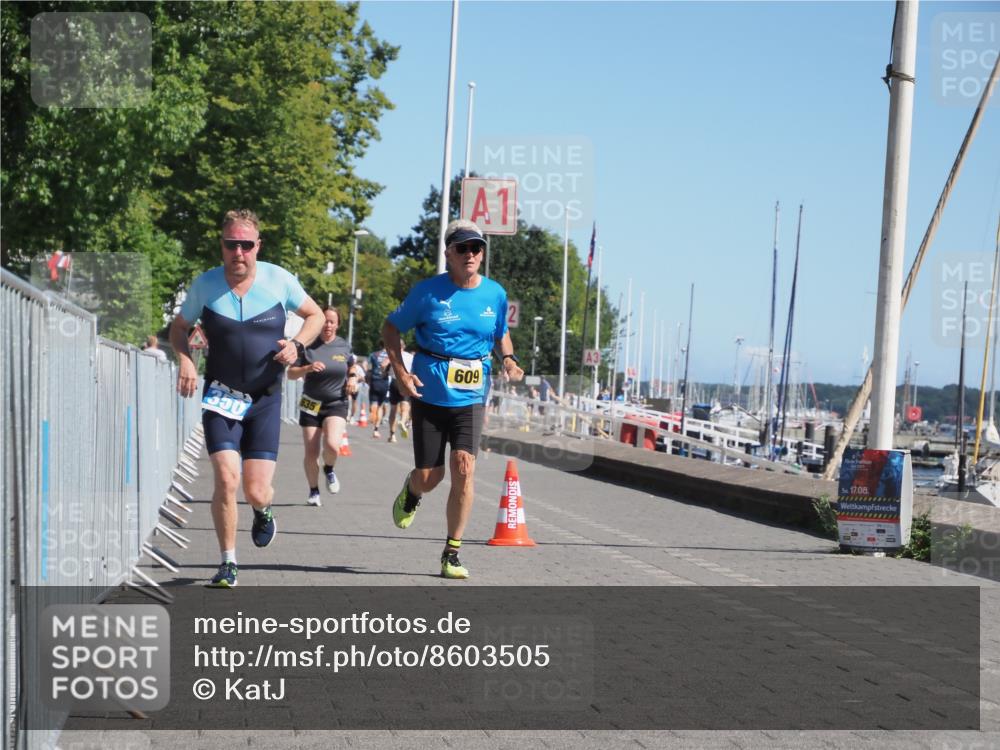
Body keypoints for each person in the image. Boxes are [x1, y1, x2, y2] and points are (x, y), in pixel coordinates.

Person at [170, 209, 323, 588]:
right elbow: (179, 327)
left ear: (258, 246)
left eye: (246, 245)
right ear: (221, 247)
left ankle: (263, 510)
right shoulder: (205, 285)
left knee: (255, 489)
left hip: (266, 399)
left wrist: (298, 345)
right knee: (225, 477)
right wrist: (185, 360)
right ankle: (227, 561)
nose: (238, 252)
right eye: (231, 244)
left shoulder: (279, 279)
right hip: (221, 396)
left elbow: (315, 315)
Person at [383, 219, 524, 579]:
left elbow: (501, 334)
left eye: (476, 248)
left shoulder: (494, 293)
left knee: (464, 467)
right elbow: (391, 327)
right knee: (431, 477)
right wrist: (400, 372)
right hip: (429, 393)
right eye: (462, 248)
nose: (470, 254)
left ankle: (452, 552)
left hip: (472, 395)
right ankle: (412, 490)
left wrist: (508, 358)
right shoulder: (427, 293)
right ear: (448, 252)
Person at [286, 306, 357, 506]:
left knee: (333, 445)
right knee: (311, 452)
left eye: (332, 321)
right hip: (311, 402)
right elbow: (291, 374)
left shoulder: (344, 346)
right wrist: (307, 368)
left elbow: (352, 365)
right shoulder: (308, 345)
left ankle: (329, 468)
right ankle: (314, 490)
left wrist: (352, 378)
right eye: (325, 320)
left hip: (336, 402)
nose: (328, 325)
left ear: (338, 325)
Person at [387, 344, 414, 443]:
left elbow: (383, 365)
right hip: (405, 382)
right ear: (404, 346)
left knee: (393, 409)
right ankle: (402, 421)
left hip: (394, 381)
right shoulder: (410, 356)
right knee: (405, 407)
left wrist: (384, 373)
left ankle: (392, 435)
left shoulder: (391, 355)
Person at [368, 343, 391, 438]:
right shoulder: (390, 355)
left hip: (374, 380)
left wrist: (368, 379)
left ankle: (373, 413)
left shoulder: (373, 354)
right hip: (384, 381)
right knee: (380, 406)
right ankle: (376, 429)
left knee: (373, 403)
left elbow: (367, 367)